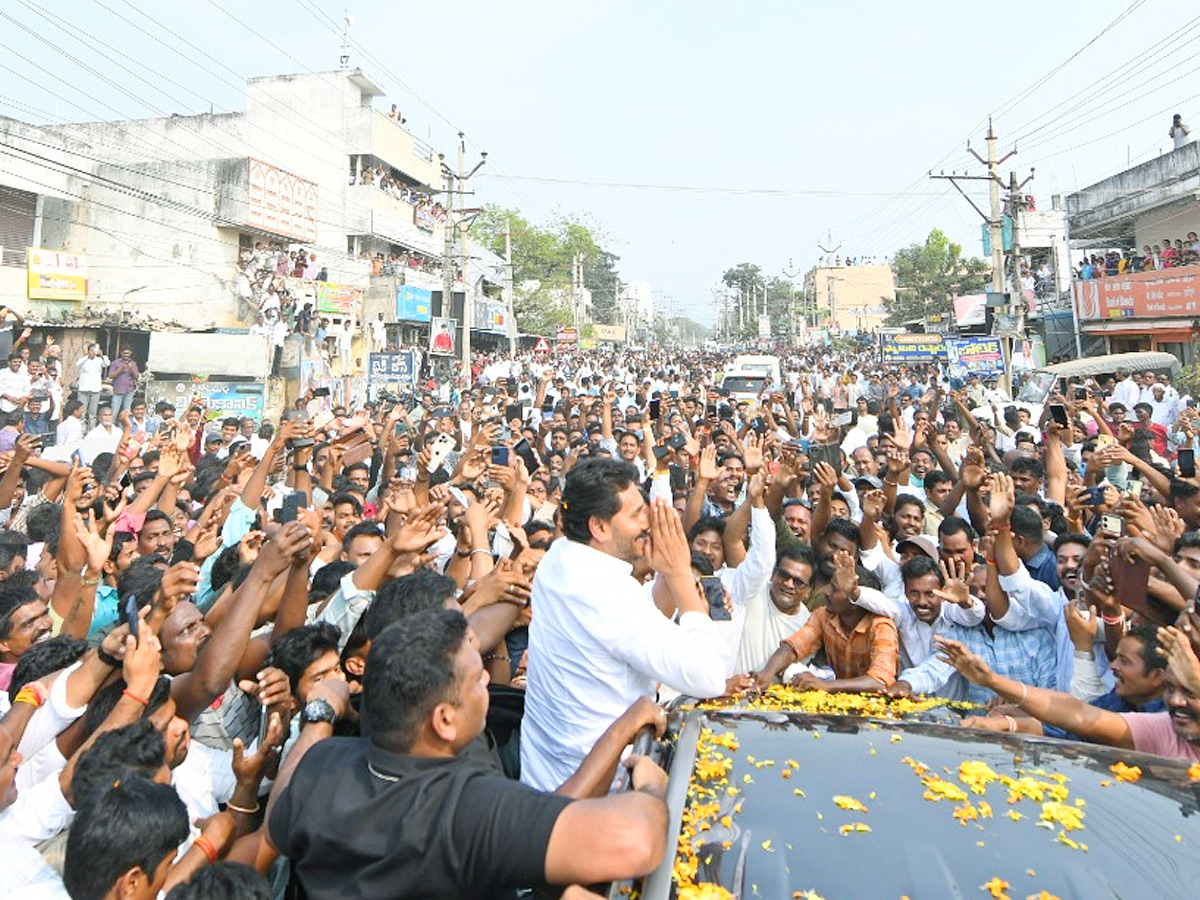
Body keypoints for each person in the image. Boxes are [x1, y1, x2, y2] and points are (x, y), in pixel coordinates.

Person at [266, 609, 670, 898]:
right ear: (444, 720)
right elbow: (635, 840)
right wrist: (649, 789)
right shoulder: (468, 808)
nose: (488, 686)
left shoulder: (323, 762)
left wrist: (318, 718)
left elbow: (277, 821)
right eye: (478, 680)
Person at [521, 458, 726, 792]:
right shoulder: (606, 594)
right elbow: (709, 677)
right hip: (594, 800)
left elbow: (635, 627)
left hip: (547, 777)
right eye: (636, 515)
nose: (647, 522)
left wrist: (664, 575)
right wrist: (678, 575)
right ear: (599, 528)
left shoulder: (560, 556)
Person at [74, 344, 109, 431]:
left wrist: (101, 355)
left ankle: (91, 431)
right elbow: (77, 364)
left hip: (95, 389)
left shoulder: (100, 360)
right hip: (83, 388)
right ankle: (81, 431)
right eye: (91, 350)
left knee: (92, 413)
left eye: (95, 350)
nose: (93, 352)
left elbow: (107, 364)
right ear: (88, 351)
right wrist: (88, 357)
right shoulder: (84, 359)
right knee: (82, 411)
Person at [107, 348, 140, 417]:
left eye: (127, 353)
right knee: (114, 412)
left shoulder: (133, 363)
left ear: (130, 353)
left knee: (126, 413)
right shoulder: (115, 363)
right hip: (118, 390)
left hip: (129, 391)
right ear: (121, 353)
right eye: (124, 353)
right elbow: (110, 375)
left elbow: (137, 377)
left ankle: (124, 427)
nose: (126, 355)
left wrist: (132, 369)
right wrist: (120, 369)